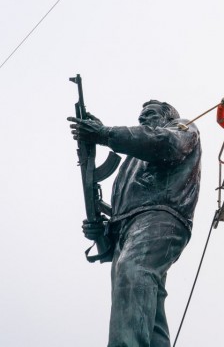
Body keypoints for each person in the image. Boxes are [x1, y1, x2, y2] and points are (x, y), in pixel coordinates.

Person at [67, 100, 201, 347]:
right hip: (130, 229)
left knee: (133, 272)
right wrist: (103, 230)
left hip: (160, 216)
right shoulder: (132, 162)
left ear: (167, 116)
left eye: (149, 114)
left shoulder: (182, 128)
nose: (142, 120)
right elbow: (123, 211)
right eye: (140, 117)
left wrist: (105, 134)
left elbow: (166, 144)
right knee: (142, 296)